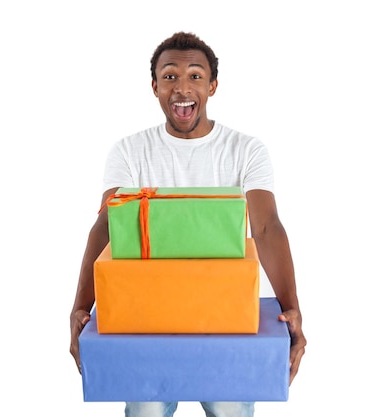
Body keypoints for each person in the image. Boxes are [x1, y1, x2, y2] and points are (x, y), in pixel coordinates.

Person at [69, 31, 307, 417]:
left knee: (229, 407)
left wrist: (292, 308)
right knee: (146, 408)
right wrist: (80, 307)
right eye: (170, 76)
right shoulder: (129, 151)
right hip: (145, 313)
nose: (182, 87)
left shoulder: (245, 150)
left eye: (195, 76)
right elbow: (105, 227)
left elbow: (266, 228)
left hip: (224, 313)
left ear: (212, 86)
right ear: (154, 86)